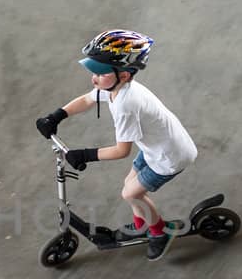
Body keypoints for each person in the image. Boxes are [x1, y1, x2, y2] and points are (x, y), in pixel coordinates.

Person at [35, 30, 197, 261]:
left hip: (169, 157)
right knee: (128, 184)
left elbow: (122, 151)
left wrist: (84, 155)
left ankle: (159, 232)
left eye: (100, 73)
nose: (94, 78)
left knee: (131, 194)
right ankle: (142, 224)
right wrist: (56, 116)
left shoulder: (126, 104)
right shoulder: (115, 87)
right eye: (93, 71)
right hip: (156, 147)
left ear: (123, 75)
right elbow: (87, 100)